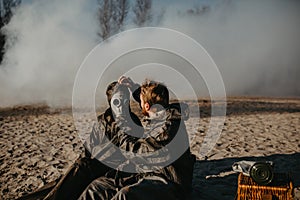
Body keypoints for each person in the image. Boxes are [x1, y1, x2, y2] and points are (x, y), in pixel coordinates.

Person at [19, 81, 142, 200]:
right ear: (110, 102)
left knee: (79, 171)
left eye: (124, 102)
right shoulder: (104, 120)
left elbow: (134, 155)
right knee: (65, 179)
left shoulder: (134, 124)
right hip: (94, 165)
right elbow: (89, 147)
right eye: (117, 102)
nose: (121, 107)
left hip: (114, 170)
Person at [79, 78, 195, 200]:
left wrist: (121, 128)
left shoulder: (167, 129)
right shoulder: (160, 114)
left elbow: (136, 152)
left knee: (125, 195)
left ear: (147, 106)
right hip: (147, 173)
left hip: (168, 182)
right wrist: (133, 87)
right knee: (97, 187)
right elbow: (150, 101)